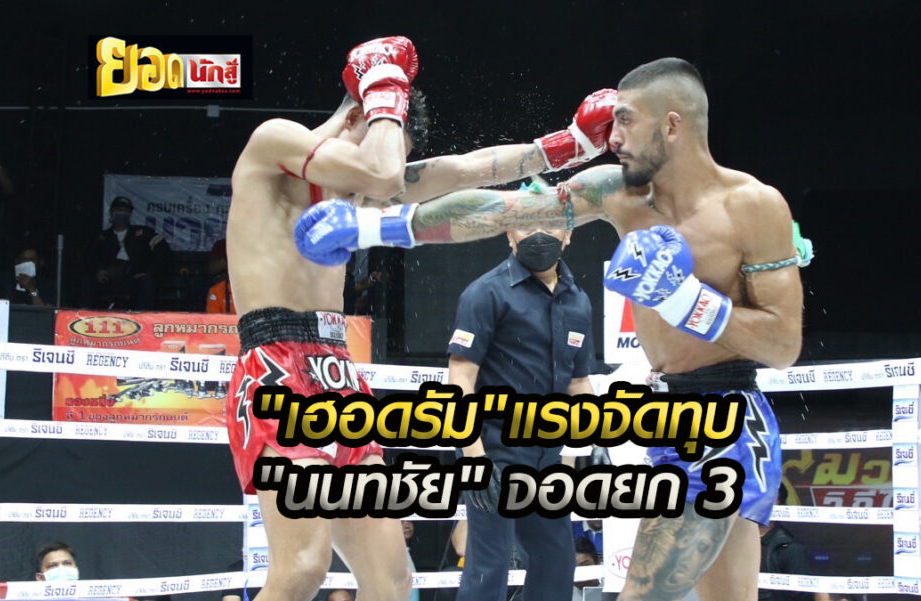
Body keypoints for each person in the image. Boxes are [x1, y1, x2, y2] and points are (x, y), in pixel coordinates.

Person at [299, 57, 808, 601]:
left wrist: (688, 302)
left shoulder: (752, 206)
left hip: (725, 421)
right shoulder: (617, 192)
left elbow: (784, 345)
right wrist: (376, 226)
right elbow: (504, 210)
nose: (612, 137)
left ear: (672, 125)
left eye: (626, 120)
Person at [226, 35, 611, 601]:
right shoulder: (274, 141)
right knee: (303, 568)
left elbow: (462, 170)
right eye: (385, 134)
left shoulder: (353, 190)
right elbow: (382, 172)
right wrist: (384, 92)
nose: (392, 167)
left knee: (392, 580)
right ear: (358, 115)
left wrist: (566, 145)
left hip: (336, 374)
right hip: (276, 370)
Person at [447, 222, 596, 601]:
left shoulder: (577, 300)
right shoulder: (485, 292)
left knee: (557, 562)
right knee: (489, 566)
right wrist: (475, 459)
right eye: (527, 224)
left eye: (550, 224)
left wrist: (582, 450)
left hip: (548, 455)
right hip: (492, 450)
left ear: (568, 233)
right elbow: (460, 378)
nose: (539, 234)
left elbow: (579, 384)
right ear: (509, 234)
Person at [79, 196, 172, 310]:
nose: (122, 213)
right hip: (108, 279)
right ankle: (84, 315)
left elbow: (163, 253)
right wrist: (98, 271)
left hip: (133, 278)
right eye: (119, 210)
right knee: (87, 281)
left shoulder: (144, 234)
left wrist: (147, 272)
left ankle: (141, 317)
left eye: (125, 210)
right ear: (112, 212)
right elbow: (89, 258)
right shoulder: (101, 237)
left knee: (146, 283)